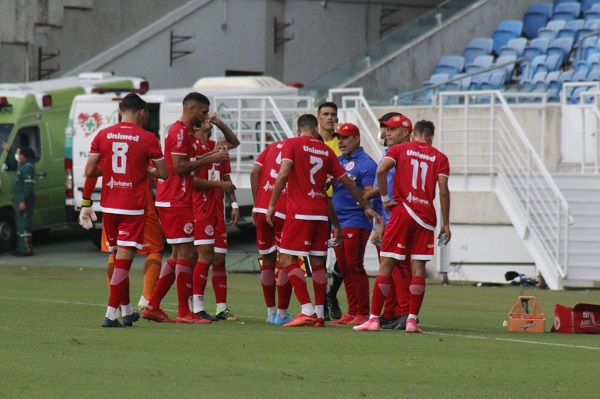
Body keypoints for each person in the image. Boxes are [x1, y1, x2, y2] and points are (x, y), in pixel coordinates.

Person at [266, 114, 379, 327]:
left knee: (287, 259)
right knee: (318, 263)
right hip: (321, 212)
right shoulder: (326, 150)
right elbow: (347, 182)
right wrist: (365, 206)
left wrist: (271, 204)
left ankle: (306, 309)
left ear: (298, 130)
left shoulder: (292, 144)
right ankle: (319, 314)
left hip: (299, 211)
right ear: (316, 128)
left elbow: (282, 175)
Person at [79, 93, 169, 328]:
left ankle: (127, 311)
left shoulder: (103, 134)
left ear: (120, 112)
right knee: (125, 263)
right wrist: (141, 169)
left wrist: (87, 202)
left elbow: (89, 171)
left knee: (116, 257)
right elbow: (164, 173)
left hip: (109, 207)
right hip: (133, 208)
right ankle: (110, 315)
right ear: (143, 113)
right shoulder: (148, 138)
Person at [354, 120, 451, 333]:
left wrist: (386, 198)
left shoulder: (400, 149)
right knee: (418, 269)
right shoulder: (440, 158)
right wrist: (446, 223)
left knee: (387, 265)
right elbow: (443, 191)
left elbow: (381, 171)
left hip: (403, 211)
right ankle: (411, 320)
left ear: (413, 134)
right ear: (431, 137)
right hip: (426, 217)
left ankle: (373, 319)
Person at [141, 92, 229, 324]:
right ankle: (184, 311)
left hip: (177, 198)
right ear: (191, 110)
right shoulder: (179, 131)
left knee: (179, 255)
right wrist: (210, 160)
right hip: (175, 198)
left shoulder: (185, 133)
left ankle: (153, 306)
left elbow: (186, 163)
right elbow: (180, 168)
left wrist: (210, 155)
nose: (205, 116)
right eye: (203, 111)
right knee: (187, 254)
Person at [365, 113, 414, 330]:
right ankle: (392, 312)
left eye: (391, 129)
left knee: (400, 266)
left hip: (398, 217)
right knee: (389, 268)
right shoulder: (390, 153)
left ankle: (405, 312)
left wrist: (373, 198)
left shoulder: (406, 155)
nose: (386, 133)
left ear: (404, 132)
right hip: (386, 218)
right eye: (385, 129)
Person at [190, 112, 240, 322]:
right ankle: (197, 306)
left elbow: (226, 174)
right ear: (195, 126)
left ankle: (221, 307)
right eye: (204, 121)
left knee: (219, 258)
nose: (208, 124)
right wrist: (220, 185)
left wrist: (234, 203)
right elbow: (193, 181)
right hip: (200, 207)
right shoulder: (193, 148)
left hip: (218, 209)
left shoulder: (217, 146)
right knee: (204, 256)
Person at [328, 123, 377, 327]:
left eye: (345, 138)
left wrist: (360, 199)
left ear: (357, 139)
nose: (340, 142)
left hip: (356, 220)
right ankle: (352, 311)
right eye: (338, 138)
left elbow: (370, 193)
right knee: (344, 267)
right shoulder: (338, 160)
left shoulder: (366, 163)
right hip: (338, 221)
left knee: (354, 265)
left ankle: (363, 312)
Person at [250, 140, 293, 325]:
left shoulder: (271, 147)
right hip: (282, 208)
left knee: (267, 261)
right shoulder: (297, 147)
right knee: (287, 260)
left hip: (261, 208)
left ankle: (270, 313)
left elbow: (254, 172)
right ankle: (282, 314)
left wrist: (258, 201)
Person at [316, 101, 343, 320]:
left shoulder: (340, 142)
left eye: (333, 114)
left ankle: (332, 294)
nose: (330, 118)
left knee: (342, 258)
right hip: (318, 205)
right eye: (325, 114)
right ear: (318, 118)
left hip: (340, 204)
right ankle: (322, 300)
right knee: (319, 256)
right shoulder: (312, 142)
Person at [2, 143, 36, 256]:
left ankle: (26, 249)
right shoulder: (22, 165)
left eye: (18, 153)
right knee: (20, 224)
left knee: (24, 225)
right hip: (19, 198)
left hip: (24, 200)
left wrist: (23, 201)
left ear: (23, 155)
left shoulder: (28, 167)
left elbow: (28, 187)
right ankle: (20, 248)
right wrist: (9, 151)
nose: (17, 155)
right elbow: (14, 160)